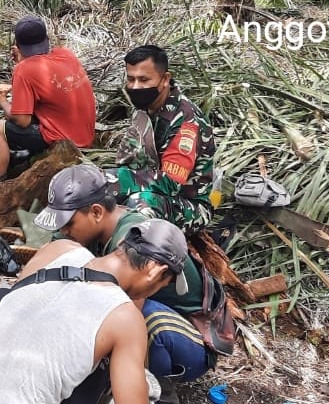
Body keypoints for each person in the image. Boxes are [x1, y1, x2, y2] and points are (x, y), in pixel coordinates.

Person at [0, 219, 190, 404]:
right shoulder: (125, 318)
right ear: (155, 271)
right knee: (105, 370)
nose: (154, 291)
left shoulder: (58, 249)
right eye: (162, 284)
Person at [34, 164, 215, 383]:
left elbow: (120, 311)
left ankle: (154, 388)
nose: (64, 231)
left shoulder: (134, 241)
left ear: (96, 212)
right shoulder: (91, 230)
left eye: (69, 224)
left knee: (131, 317)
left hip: (189, 336)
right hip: (147, 312)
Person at [0, 16, 96, 185]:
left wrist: (0, 99)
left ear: (18, 46)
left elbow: (22, 120)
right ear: (47, 40)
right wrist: (24, 62)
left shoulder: (23, 70)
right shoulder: (66, 54)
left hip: (65, 141)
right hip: (85, 136)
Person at [116, 45, 219, 232]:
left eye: (144, 79)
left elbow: (170, 182)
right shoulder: (145, 106)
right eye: (130, 79)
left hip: (188, 204)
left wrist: (112, 181)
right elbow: (130, 159)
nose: (135, 87)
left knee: (139, 206)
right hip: (149, 186)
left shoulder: (186, 122)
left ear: (165, 79)